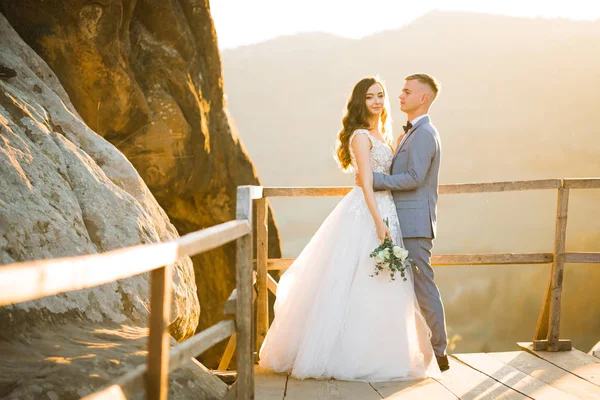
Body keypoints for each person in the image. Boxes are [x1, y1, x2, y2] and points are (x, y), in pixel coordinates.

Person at [258, 77, 441, 381]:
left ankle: (386, 351)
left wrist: (387, 217)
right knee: (356, 279)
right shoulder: (359, 136)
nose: (378, 101)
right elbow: (367, 185)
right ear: (360, 102)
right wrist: (378, 222)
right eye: (370, 97)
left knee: (386, 282)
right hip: (368, 213)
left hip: (389, 212)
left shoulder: (383, 134)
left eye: (381, 95)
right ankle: (346, 353)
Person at [356, 73, 449, 371]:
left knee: (423, 286)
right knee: (401, 288)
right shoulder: (410, 132)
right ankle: (412, 351)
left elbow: (414, 178)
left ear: (423, 98)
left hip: (415, 223)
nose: (399, 96)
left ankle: (440, 353)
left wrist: (374, 180)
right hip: (400, 220)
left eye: (407, 92)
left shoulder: (423, 133)